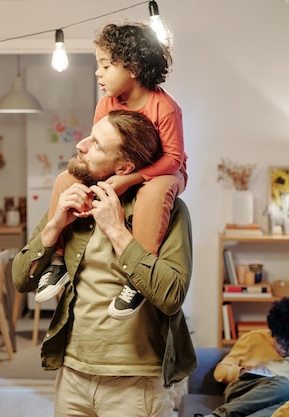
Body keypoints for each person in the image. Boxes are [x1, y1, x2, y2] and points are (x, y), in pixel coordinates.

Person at [12, 110, 196, 417]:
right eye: (89, 135)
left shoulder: (168, 209)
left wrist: (117, 231)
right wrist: (54, 226)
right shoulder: (73, 198)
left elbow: (172, 296)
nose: (81, 145)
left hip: (136, 382)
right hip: (72, 373)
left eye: (96, 145)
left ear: (124, 166)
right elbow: (21, 280)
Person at [35, 22, 188, 321]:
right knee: (65, 178)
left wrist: (129, 180)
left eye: (106, 65)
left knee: (154, 192)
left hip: (161, 172)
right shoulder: (106, 104)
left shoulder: (165, 107)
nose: (97, 72)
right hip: (118, 170)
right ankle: (57, 261)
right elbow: (98, 151)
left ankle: (138, 276)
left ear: (132, 67)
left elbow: (172, 159)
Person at [200, 297, 289, 417]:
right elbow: (220, 372)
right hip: (243, 392)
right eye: (281, 342)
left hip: (275, 403)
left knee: (287, 406)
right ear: (273, 332)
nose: (286, 350)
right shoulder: (252, 338)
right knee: (285, 386)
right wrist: (243, 371)